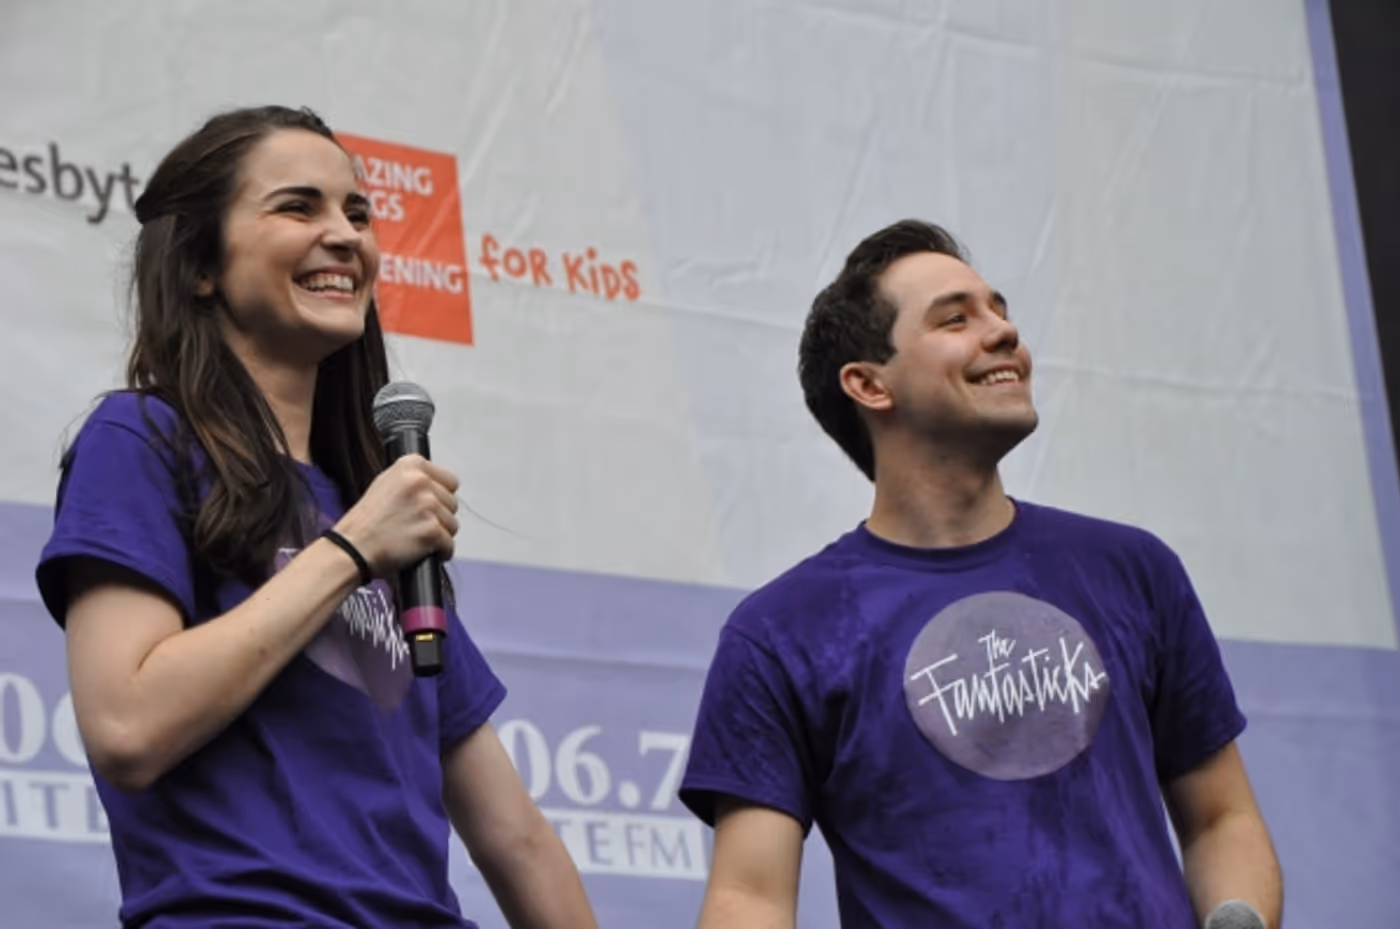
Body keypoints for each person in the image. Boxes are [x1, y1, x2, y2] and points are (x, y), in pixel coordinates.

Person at [34, 105, 597, 929]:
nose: (345, 235)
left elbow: (516, 837)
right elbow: (127, 723)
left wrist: (362, 536)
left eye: (358, 212)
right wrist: (349, 548)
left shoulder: (374, 515)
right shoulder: (141, 438)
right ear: (200, 266)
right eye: (298, 207)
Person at [679, 219, 1283, 927]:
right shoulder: (781, 631)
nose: (1003, 333)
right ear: (870, 384)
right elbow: (748, 895)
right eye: (956, 319)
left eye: (1000, 310)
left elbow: (1222, 817)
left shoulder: (1134, 569)